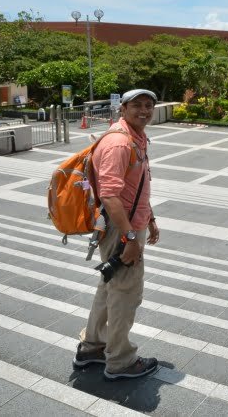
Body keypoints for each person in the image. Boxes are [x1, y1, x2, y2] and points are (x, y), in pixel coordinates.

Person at [74, 89, 161, 381]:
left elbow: (134, 187)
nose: (144, 110)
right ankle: (121, 361)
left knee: (109, 287)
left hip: (126, 224)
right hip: (119, 228)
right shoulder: (119, 143)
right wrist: (131, 238)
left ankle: (92, 348)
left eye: (149, 105)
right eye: (137, 105)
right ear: (122, 108)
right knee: (125, 293)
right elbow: (111, 196)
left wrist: (150, 220)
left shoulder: (135, 138)